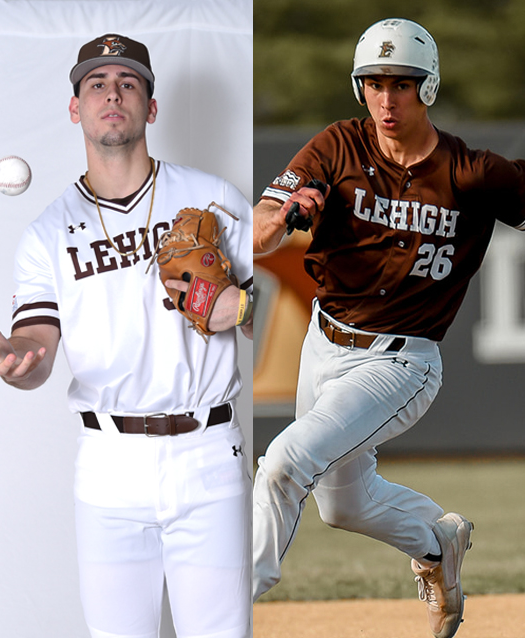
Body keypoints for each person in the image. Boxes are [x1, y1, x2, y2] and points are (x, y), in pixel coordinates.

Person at [251, 17, 525, 638]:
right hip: (322, 342)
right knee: (341, 504)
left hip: (400, 362)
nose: (386, 98)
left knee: (284, 463)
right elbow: (265, 223)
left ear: (427, 88)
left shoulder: (472, 174)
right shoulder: (338, 146)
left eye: (401, 83)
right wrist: (287, 211)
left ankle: (219, 604)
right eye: (372, 83)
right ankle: (437, 541)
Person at [0, 34, 254, 638]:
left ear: (151, 107)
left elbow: (276, 309)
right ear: (75, 108)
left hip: (208, 451)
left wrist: (237, 305)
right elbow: (37, 340)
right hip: (109, 463)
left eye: (128, 83)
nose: (112, 93)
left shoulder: (211, 198)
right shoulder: (46, 233)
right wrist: (22, 361)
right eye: (96, 84)